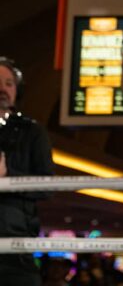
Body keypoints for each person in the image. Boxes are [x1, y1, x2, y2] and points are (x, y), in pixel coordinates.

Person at [0, 56, 54, 286]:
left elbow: (47, 186)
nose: (2, 89)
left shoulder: (32, 131)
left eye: (8, 83)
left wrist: (7, 177)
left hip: (16, 247)